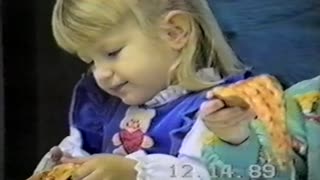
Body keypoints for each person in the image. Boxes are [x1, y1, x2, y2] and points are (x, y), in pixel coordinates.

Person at [31, 0, 319, 179]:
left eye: (112, 52)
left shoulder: (221, 108)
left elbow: (220, 175)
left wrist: (135, 174)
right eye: (90, 61)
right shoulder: (104, 108)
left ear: (175, 32)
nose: (101, 74)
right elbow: (78, 152)